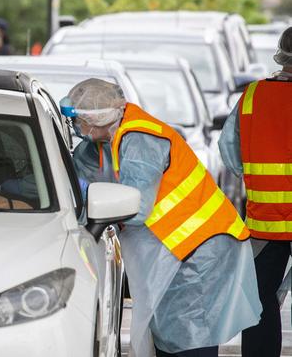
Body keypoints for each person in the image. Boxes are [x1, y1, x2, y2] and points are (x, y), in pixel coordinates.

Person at [66, 78, 261, 356]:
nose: (77, 128)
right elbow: (80, 179)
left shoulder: (142, 140)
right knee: (170, 339)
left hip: (199, 251)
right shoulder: (103, 142)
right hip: (173, 251)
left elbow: (135, 204)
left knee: (191, 340)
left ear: (96, 119)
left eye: (79, 120)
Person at [218, 26, 292, 357]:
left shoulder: (252, 96)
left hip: (267, 223)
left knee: (261, 300)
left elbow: (229, 151)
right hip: (268, 221)